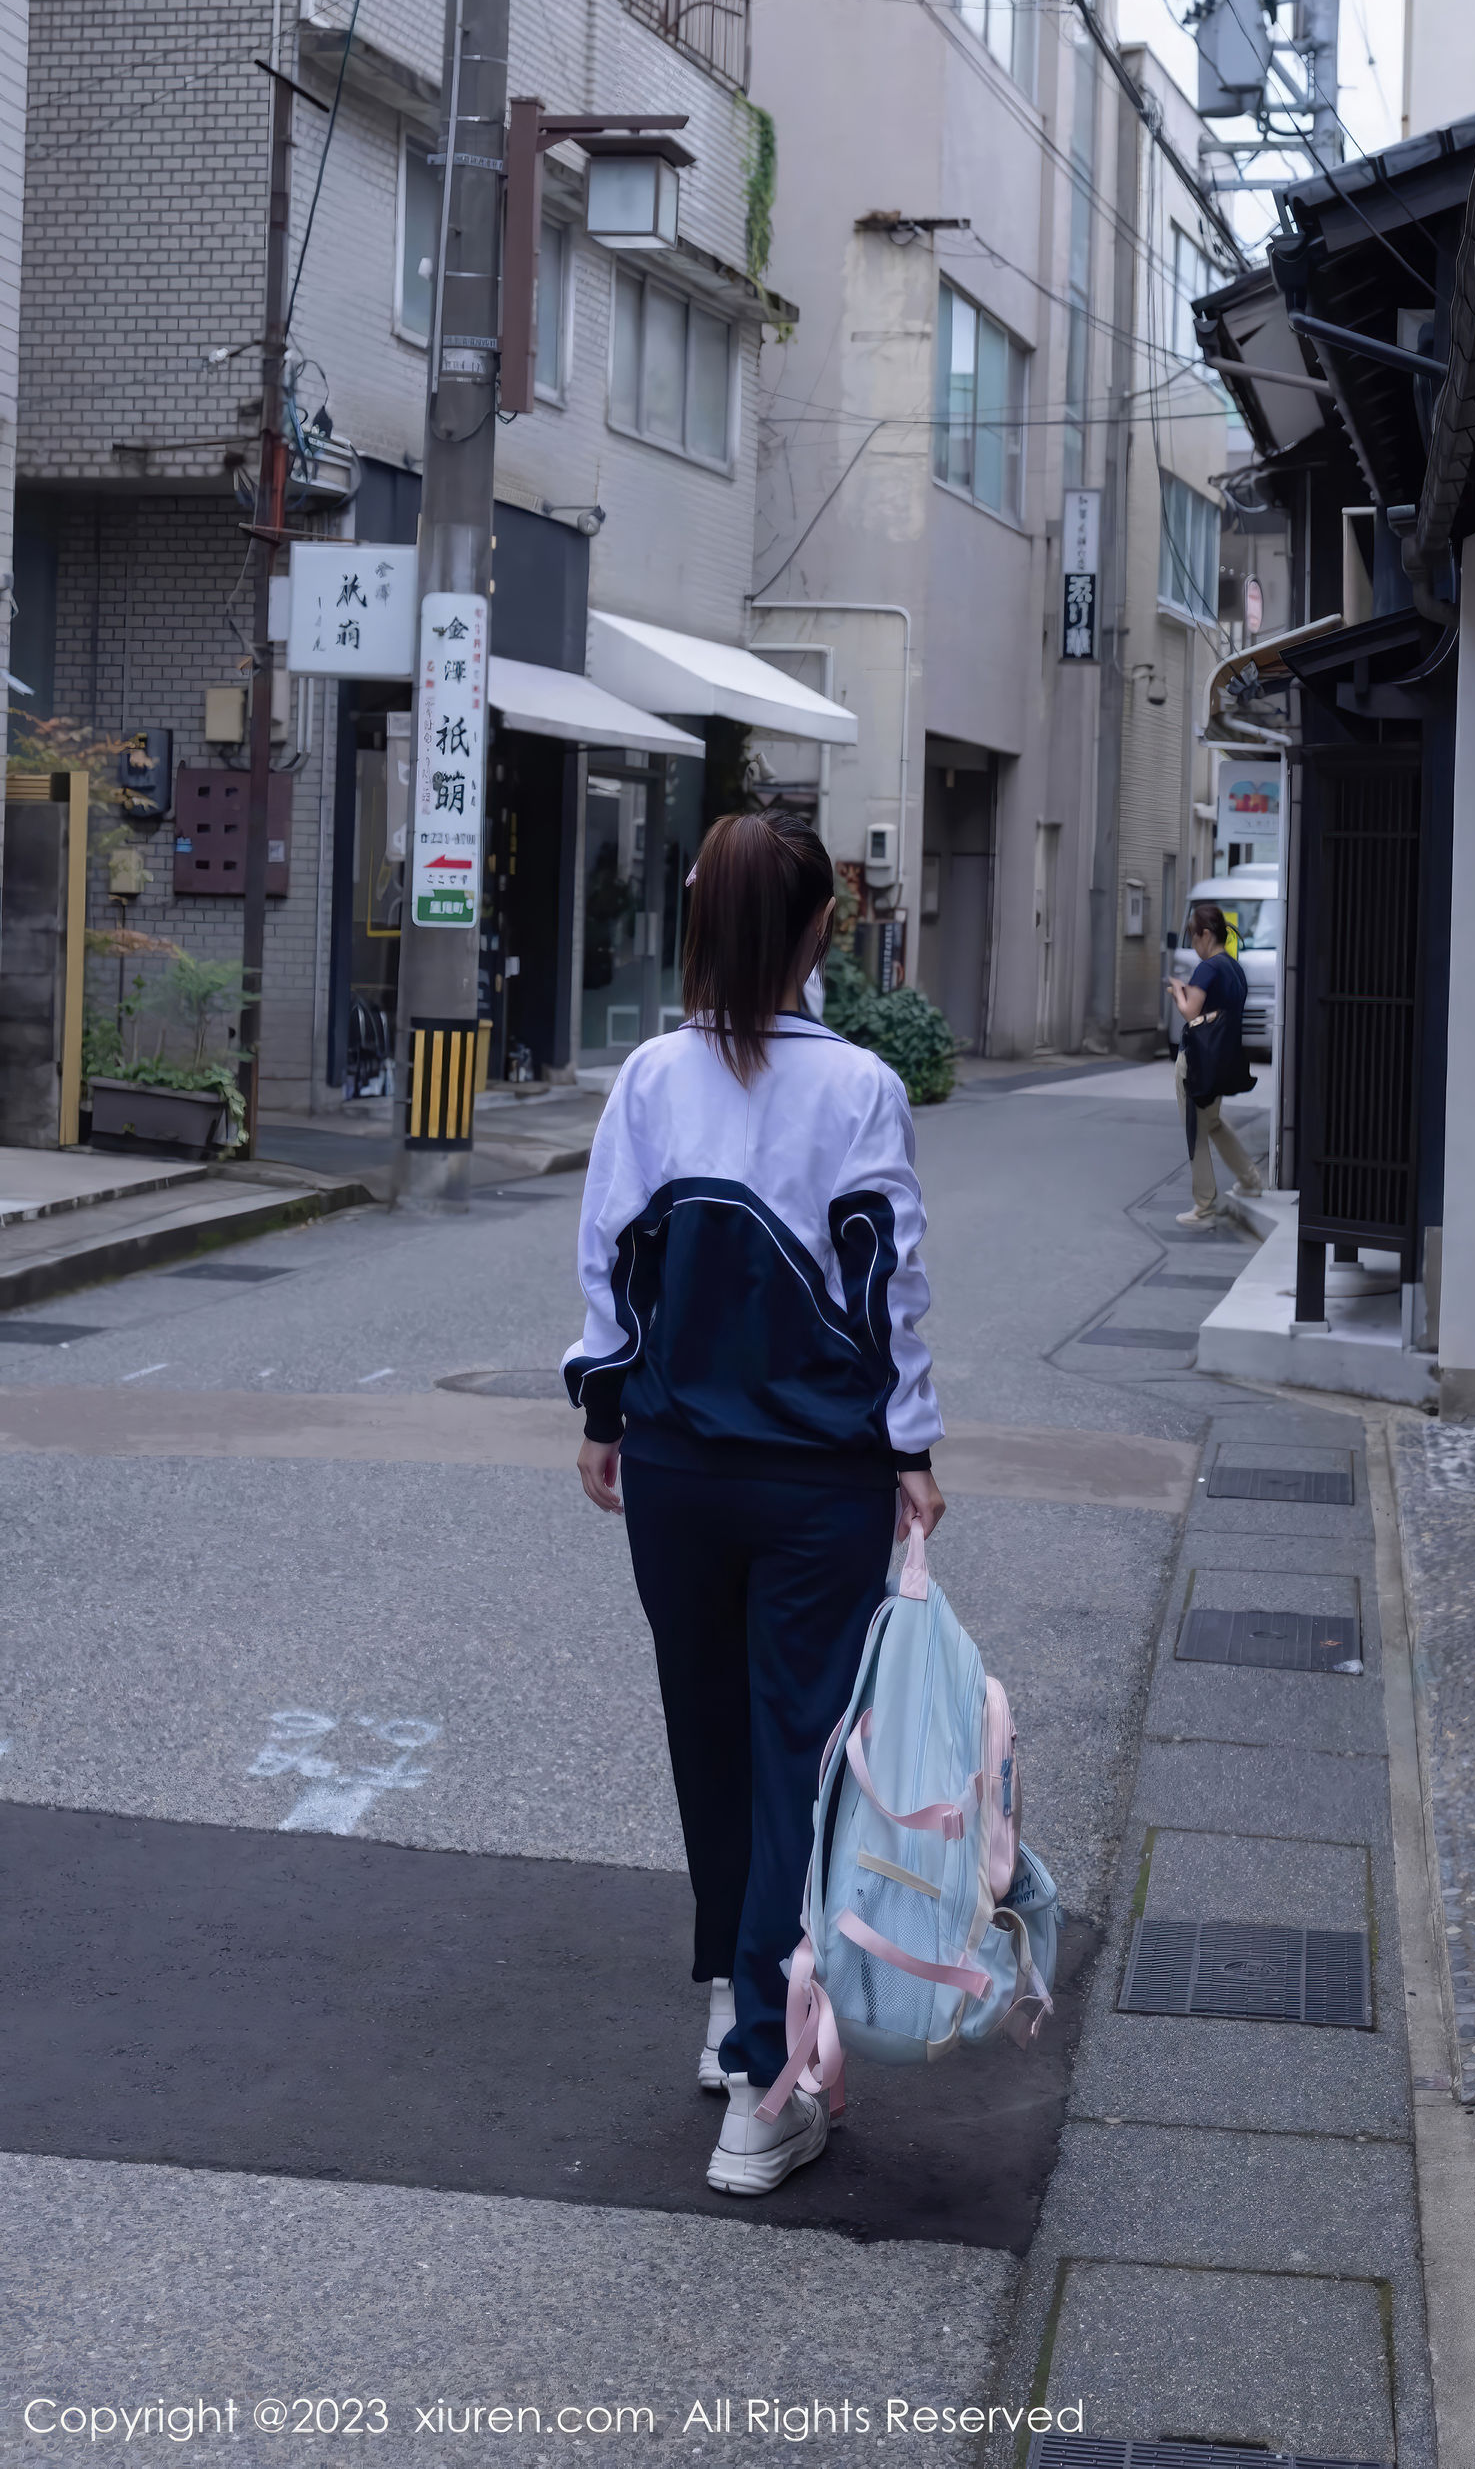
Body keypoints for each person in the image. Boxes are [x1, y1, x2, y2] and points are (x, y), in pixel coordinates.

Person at [564, 810, 945, 2199]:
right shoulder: (857, 1087)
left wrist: (605, 1411)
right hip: (815, 1477)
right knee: (799, 1751)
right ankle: (763, 2087)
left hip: (676, 1466)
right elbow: (886, 1280)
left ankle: (734, 1997)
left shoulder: (649, 1075)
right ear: (819, 930)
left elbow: (610, 1259)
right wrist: (911, 1445)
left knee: (711, 1731)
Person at [1168, 900, 1263, 1225]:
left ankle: (1204, 1203)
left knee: (1196, 1128)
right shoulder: (1234, 968)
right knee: (1212, 1122)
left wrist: (1178, 991)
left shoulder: (1207, 968)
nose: (1194, 944)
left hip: (1197, 1059)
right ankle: (1250, 1180)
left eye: (1194, 936)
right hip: (1221, 1059)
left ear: (1206, 935)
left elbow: (1190, 1012)